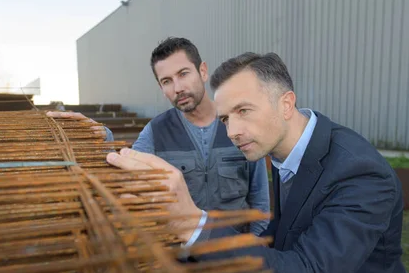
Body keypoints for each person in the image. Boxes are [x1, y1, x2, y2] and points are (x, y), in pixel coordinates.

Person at [105, 52, 409, 273]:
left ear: (285, 103)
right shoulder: (284, 153)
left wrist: (193, 224)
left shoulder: (359, 172)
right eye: (226, 118)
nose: (232, 132)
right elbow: (281, 239)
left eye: (244, 111)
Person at [48, 37, 270, 236]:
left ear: (202, 71)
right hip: (184, 259)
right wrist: (101, 137)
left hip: (239, 256)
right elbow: (123, 172)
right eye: (167, 81)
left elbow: (260, 200)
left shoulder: (239, 125)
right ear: (160, 87)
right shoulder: (155, 131)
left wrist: (255, 246)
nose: (178, 88)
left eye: (183, 74)